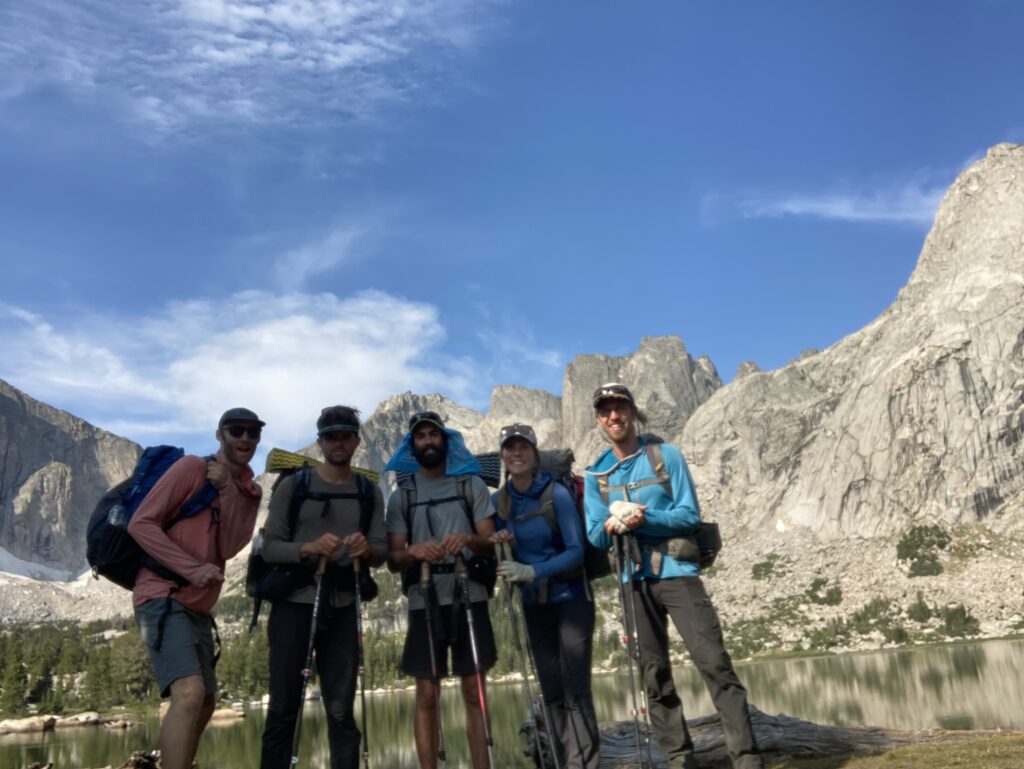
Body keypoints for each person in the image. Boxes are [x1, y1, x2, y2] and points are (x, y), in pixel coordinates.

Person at [584, 384, 764, 769]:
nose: (613, 417)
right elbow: (596, 535)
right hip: (633, 581)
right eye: (605, 411)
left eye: (619, 408)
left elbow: (688, 516)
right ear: (599, 419)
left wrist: (645, 518)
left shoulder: (667, 457)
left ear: (632, 412)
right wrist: (615, 523)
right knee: (654, 674)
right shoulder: (596, 475)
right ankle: (680, 759)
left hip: (677, 573)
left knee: (714, 661)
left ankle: (747, 758)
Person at [128, 407, 264, 769]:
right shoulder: (191, 469)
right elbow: (141, 524)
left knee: (205, 701)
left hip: (198, 609)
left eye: (254, 433)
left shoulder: (250, 492)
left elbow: (231, 546)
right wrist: (191, 568)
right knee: (188, 693)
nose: (246, 439)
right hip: (163, 595)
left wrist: (228, 489)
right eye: (237, 431)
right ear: (220, 434)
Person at [258, 405, 386, 769]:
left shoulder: (368, 491)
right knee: (283, 707)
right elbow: (269, 548)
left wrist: (367, 549)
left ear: (357, 440)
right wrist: (308, 548)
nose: (338, 442)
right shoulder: (293, 486)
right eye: (331, 436)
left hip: (344, 604)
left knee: (342, 710)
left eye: (346, 435)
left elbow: (380, 552)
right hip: (293, 604)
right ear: (320, 441)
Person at [385, 411, 497, 769]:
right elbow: (394, 558)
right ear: (411, 446)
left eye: (434, 435)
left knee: (473, 691)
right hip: (424, 597)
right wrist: (415, 551)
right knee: (427, 694)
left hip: (470, 595)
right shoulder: (401, 496)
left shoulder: (472, 485)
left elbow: (489, 542)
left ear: (445, 441)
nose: (429, 441)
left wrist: (467, 538)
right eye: (421, 437)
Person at [491, 423, 600, 769]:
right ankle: (560, 760)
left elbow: (576, 551)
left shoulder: (557, 494)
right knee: (551, 688)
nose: (517, 453)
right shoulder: (500, 502)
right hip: (533, 604)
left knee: (575, 687)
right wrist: (502, 550)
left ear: (534, 454)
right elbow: (498, 551)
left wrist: (533, 571)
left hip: (571, 600)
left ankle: (584, 763)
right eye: (510, 448)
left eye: (524, 447)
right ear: (504, 457)